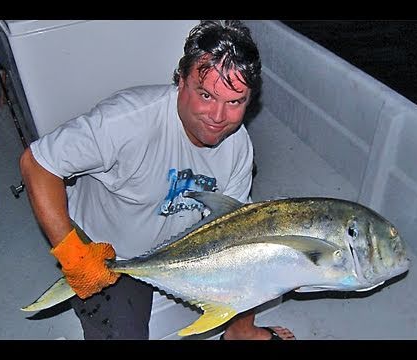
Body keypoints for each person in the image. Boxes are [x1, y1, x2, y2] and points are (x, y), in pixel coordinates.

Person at [19, 20, 295, 341]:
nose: (218, 116)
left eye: (234, 102)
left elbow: (235, 234)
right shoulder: (126, 120)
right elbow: (37, 164)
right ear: (180, 81)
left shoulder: (239, 146)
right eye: (205, 94)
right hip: (108, 251)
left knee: (255, 258)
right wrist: (74, 255)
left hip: (182, 247)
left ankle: (239, 332)